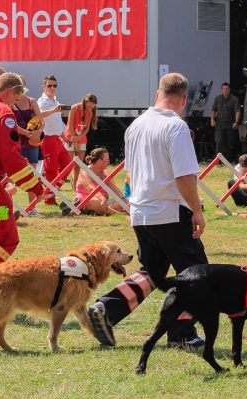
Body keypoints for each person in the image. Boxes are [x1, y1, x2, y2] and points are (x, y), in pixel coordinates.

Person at [88, 73, 207, 349]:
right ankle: (182, 334)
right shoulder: (175, 127)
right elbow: (184, 177)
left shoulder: (136, 126)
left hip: (142, 212)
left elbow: (130, 175)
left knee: (152, 271)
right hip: (170, 210)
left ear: (158, 93)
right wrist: (197, 210)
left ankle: (108, 308)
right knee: (195, 273)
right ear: (184, 99)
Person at [0, 72, 43, 266]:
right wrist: (35, 186)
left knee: (4, 203)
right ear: (11, 91)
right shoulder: (2, 112)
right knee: (5, 239)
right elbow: (11, 158)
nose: (14, 104)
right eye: (15, 99)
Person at [12, 75, 61, 216]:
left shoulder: (31, 101)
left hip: (32, 142)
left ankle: (32, 209)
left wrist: (38, 132)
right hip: (16, 142)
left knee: (32, 175)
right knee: (11, 177)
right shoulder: (9, 102)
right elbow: (11, 123)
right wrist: (27, 133)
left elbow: (41, 120)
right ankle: (7, 209)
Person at [37, 75, 72, 206]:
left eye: (54, 85)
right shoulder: (42, 101)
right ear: (44, 87)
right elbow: (39, 115)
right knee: (51, 169)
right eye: (49, 85)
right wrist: (54, 110)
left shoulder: (56, 101)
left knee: (68, 165)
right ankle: (49, 199)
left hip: (57, 138)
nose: (52, 88)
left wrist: (64, 138)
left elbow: (56, 123)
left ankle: (53, 190)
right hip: (47, 138)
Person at [75, 147, 127, 215]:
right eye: (107, 160)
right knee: (94, 203)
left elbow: (113, 188)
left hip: (104, 202)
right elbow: (91, 189)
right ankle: (118, 213)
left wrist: (122, 198)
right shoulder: (85, 172)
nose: (109, 162)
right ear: (99, 161)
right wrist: (103, 199)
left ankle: (104, 210)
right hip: (88, 201)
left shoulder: (104, 172)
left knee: (124, 202)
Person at [64, 93, 98, 190]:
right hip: (71, 139)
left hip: (81, 140)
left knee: (78, 165)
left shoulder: (90, 111)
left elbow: (87, 129)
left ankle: (75, 188)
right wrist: (75, 142)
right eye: (88, 106)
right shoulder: (74, 108)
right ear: (85, 101)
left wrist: (80, 138)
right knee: (68, 165)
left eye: (92, 107)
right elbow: (70, 126)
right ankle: (57, 186)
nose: (90, 108)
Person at [210, 82, 241, 161]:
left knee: (229, 142)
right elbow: (213, 110)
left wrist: (236, 122)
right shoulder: (217, 99)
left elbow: (237, 111)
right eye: (224, 89)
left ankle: (229, 160)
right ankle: (218, 161)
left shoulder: (234, 99)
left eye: (227, 89)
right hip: (220, 123)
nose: (225, 90)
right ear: (221, 90)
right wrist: (212, 120)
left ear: (229, 90)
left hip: (230, 123)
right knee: (219, 142)